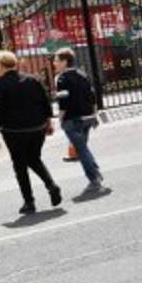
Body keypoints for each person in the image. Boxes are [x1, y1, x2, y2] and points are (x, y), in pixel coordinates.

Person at [0, 50, 62, 215]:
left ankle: (29, 202)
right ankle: (51, 186)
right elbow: (45, 101)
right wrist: (48, 122)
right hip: (37, 128)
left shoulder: (0, 86)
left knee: (20, 166)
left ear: (1, 65)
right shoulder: (33, 80)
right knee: (34, 159)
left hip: (14, 132)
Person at [53, 48, 104, 195]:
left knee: (81, 150)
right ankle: (96, 173)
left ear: (64, 62)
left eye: (56, 60)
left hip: (72, 119)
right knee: (83, 149)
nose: (54, 63)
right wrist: (94, 114)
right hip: (87, 117)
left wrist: (60, 119)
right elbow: (92, 95)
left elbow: (63, 102)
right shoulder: (82, 74)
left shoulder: (61, 78)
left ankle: (94, 179)